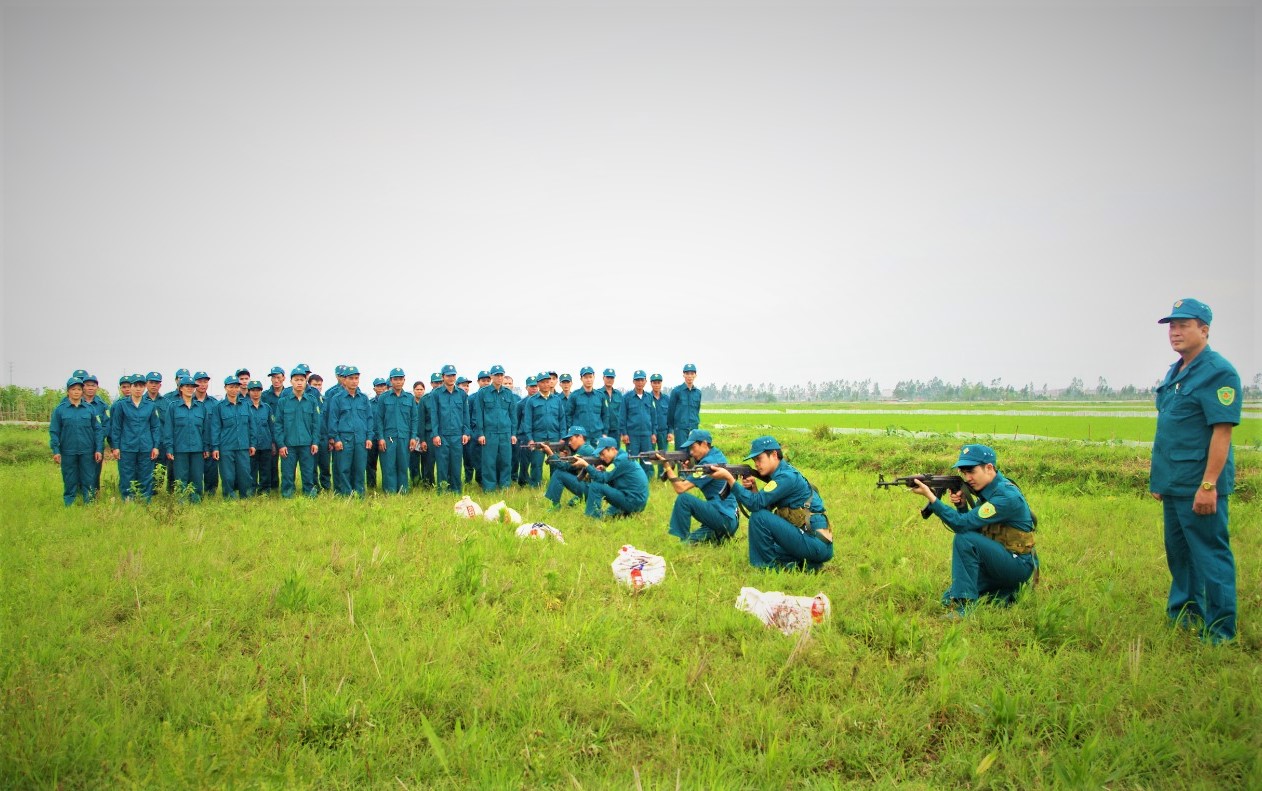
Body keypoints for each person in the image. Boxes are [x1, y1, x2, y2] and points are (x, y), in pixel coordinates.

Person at [1150, 298, 1242, 644]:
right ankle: (1186, 615)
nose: (1175, 332)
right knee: (1179, 553)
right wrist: (1160, 479)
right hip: (1173, 482)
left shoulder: (1218, 372)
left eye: (1183, 325)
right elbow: (1171, 431)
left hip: (1198, 484)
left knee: (1210, 554)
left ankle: (1220, 629)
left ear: (1204, 330)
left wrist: (1209, 484)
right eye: (1172, 326)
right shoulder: (1176, 371)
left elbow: (1222, 432)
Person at [908, 444, 1036, 615]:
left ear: (989, 468)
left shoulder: (1005, 495)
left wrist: (931, 498)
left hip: (1016, 564)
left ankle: (966, 607)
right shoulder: (988, 490)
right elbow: (975, 526)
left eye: (971, 471)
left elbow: (963, 526)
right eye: (964, 472)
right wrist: (961, 506)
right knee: (947, 598)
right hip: (998, 559)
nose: (967, 478)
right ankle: (1003, 592)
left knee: (964, 539)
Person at [710, 436, 832, 571]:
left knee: (759, 518)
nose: (756, 464)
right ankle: (805, 565)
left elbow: (756, 507)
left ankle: (766, 568)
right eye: (754, 460)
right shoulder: (781, 475)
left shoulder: (786, 477)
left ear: (774, 455)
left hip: (816, 542)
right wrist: (753, 489)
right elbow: (762, 505)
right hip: (812, 540)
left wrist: (729, 479)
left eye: (759, 459)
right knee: (765, 546)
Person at [662, 430, 739, 543]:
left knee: (684, 499)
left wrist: (667, 467)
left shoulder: (707, 463)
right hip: (729, 519)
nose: (691, 452)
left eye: (693, 447)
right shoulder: (716, 454)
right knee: (689, 542)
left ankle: (682, 537)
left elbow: (680, 488)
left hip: (724, 517)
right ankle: (721, 536)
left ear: (703, 444)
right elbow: (701, 478)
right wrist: (692, 469)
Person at [49, 376, 105, 505]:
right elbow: (54, 431)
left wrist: (98, 449)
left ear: (82, 391)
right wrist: (56, 450)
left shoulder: (90, 409)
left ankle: (89, 502)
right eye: (73, 389)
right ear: (68, 391)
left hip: (87, 451)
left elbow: (98, 430)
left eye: (79, 389)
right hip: (68, 451)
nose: (76, 392)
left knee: (89, 478)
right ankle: (69, 502)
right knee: (69, 477)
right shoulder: (60, 410)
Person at [109, 374, 161, 500]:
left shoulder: (150, 405)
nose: (138, 389)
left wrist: (155, 446)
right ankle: (128, 499)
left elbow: (155, 427)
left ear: (144, 388)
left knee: (146, 475)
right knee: (127, 475)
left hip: (146, 446)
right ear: (131, 387)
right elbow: (116, 427)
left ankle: (145, 500)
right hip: (127, 447)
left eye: (141, 386)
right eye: (135, 386)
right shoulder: (121, 405)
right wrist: (115, 447)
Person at [572, 436, 649, 520]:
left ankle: (591, 517)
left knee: (595, 486)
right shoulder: (623, 457)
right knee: (607, 515)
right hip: (635, 501)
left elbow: (601, 479)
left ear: (612, 449)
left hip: (632, 501)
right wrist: (605, 470)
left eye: (603, 454)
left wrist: (586, 465)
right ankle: (626, 513)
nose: (601, 457)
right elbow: (612, 478)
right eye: (600, 455)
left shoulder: (620, 460)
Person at [272, 369, 322, 498]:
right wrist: (281, 444)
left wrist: (315, 442)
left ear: (306, 382)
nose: (299, 383)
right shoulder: (283, 401)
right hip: (288, 445)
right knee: (287, 473)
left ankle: (310, 495)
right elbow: (278, 425)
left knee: (308, 473)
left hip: (307, 444)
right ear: (291, 382)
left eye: (302, 380)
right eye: (296, 380)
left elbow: (316, 424)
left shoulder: (311, 400)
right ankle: (287, 495)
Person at [325, 366, 374, 497]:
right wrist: (335, 439)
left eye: (356, 378)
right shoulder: (337, 398)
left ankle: (359, 494)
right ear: (344, 380)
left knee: (359, 468)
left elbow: (369, 419)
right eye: (351, 378)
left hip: (361, 439)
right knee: (343, 468)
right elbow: (333, 420)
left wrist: (369, 437)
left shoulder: (363, 398)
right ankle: (345, 494)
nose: (354, 381)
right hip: (344, 439)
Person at [164, 375, 212, 501]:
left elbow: (205, 430)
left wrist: (206, 447)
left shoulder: (201, 407)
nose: (190, 389)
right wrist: (169, 448)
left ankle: (196, 501)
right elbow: (168, 429)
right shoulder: (173, 407)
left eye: (192, 387)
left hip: (197, 448)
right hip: (180, 449)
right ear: (181, 388)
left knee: (197, 477)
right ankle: (182, 502)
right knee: (181, 477)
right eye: (187, 386)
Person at [427, 364, 471, 494]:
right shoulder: (436, 394)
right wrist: (435, 434)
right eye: (448, 375)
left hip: (457, 435)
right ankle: (442, 490)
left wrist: (466, 432)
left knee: (456, 464)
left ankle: (456, 490)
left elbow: (465, 414)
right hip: (442, 435)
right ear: (443, 377)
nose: (451, 378)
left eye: (453, 375)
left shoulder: (462, 394)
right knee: (442, 465)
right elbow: (434, 415)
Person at [474, 364, 518, 493]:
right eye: (496, 375)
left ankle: (505, 486)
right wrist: (481, 433)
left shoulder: (508, 393)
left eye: (501, 375)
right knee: (489, 462)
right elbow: (479, 414)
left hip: (505, 433)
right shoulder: (483, 393)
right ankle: (489, 488)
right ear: (491, 376)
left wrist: (513, 433)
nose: (499, 377)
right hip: (489, 433)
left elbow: (512, 415)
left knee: (506, 461)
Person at [375, 368, 418, 494]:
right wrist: (381, 438)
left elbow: (414, 419)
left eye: (400, 379)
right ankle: (390, 491)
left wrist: (413, 437)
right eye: (395, 379)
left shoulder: (409, 398)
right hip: (388, 438)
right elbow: (379, 419)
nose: (398, 382)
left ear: (404, 380)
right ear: (391, 380)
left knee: (403, 465)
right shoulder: (384, 398)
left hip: (405, 437)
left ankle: (403, 491)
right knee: (389, 466)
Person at [521, 371, 567, 488]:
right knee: (536, 464)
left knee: (555, 462)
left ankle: (555, 484)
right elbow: (527, 421)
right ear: (538, 384)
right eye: (543, 382)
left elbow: (562, 420)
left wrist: (562, 437)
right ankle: (536, 486)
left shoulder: (557, 400)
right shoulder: (531, 401)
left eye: (548, 381)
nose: (546, 384)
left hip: (554, 437)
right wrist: (530, 439)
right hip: (538, 438)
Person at [211, 375, 253, 499]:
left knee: (245, 474)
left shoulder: (246, 405)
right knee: (228, 475)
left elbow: (251, 426)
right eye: (231, 387)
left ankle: (246, 497)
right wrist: (215, 447)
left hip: (243, 446)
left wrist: (252, 444)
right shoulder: (219, 407)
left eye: (236, 387)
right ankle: (229, 497)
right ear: (225, 388)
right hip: (226, 447)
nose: (234, 389)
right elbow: (215, 428)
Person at [540, 425, 595, 510]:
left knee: (558, 474)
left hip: (590, 490)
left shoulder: (584, 450)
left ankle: (555, 506)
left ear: (580, 437)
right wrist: (560, 457)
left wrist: (550, 453)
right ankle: (581, 499)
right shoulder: (587, 448)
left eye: (571, 439)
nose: (569, 442)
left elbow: (564, 467)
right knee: (570, 505)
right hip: (592, 490)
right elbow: (572, 469)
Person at [619, 370, 657, 477]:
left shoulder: (649, 397)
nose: (640, 382)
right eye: (637, 380)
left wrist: (654, 433)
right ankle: (633, 479)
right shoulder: (627, 397)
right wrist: (624, 433)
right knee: (632, 459)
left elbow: (654, 417)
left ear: (645, 381)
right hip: (632, 435)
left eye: (642, 380)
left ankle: (648, 479)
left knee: (647, 459)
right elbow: (622, 417)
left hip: (647, 435)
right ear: (633, 381)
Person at [245, 380, 276, 494]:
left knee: (265, 470)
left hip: (265, 444)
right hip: (251, 445)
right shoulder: (245, 407)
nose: (256, 393)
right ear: (249, 392)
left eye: (258, 390)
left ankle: (265, 491)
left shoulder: (267, 408)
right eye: (253, 390)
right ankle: (251, 490)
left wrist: (273, 443)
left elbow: (272, 426)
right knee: (251, 469)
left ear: (261, 392)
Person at [261, 365, 287, 492]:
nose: (276, 380)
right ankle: (273, 486)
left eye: (278, 377)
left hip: (287, 432)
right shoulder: (265, 396)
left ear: (284, 378)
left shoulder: (288, 394)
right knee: (271, 462)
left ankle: (288, 486)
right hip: (271, 433)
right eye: (273, 378)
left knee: (288, 462)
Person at [667, 363, 702, 450]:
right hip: (680, 429)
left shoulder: (698, 392)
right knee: (681, 455)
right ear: (683, 375)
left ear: (695, 375)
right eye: (687, 373)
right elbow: (670, 412)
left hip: (694, 429)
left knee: (694, 454)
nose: (689, 376)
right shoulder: (676, 391)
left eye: (692, 373)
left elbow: (697, 410)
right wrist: (670, 431)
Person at [308, 373, 333, 491]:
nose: (317, 387)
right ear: (309, 385)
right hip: (311, 438)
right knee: (312, 465)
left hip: (324, 438)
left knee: (325, 465)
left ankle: (326, 486)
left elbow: (330, 420)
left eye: (319, 385)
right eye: (314, 385)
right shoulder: (307, 401)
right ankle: (315, 487)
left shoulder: (325, 401)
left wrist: (330, 438)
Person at [569, 366, 607, 441]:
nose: (588, 380)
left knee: (597, 453)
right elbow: (568, 415)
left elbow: (605, 415)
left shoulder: (600, 396)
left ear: (594, 377)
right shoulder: (574, 396)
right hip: (580, 437)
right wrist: (571, 432)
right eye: (585, 377)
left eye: (590, 377)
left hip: (597, 436)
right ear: (581, 379)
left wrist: (605, 433)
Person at [365, 376, 389, 489]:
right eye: (378, 386)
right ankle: (371, 486)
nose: (381, 388)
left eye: (383, 386)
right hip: (373, 437)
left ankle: (387, 486)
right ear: (374, 388)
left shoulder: (389, 402)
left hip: (386, 437)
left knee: (387, 464)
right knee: (370, 464)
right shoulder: (369, 403)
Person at [601, 368, 622, 448]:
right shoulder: (599, 393)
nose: (609, 380)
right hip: (603, 431)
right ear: (603, 378)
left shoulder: (618, 394)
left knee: (616, 453)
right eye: (607, 377)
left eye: (612, 378)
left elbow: (622, 413)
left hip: (616, 430)